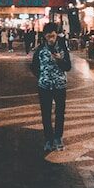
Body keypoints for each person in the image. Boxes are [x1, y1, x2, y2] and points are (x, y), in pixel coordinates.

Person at [30, 22, 72, 153]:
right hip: (44, 86)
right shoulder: (40, 50)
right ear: (44, 36)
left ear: (56, 35)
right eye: (48, 36)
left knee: (60, 113)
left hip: (60, 86)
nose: (51, 39)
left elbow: (68, 67)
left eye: (53, 36)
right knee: (46, 113)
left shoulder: (62, 49)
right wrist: (42, 77)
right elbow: (33, 67)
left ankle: (58, 138)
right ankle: (48, 139)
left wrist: (60, 60)